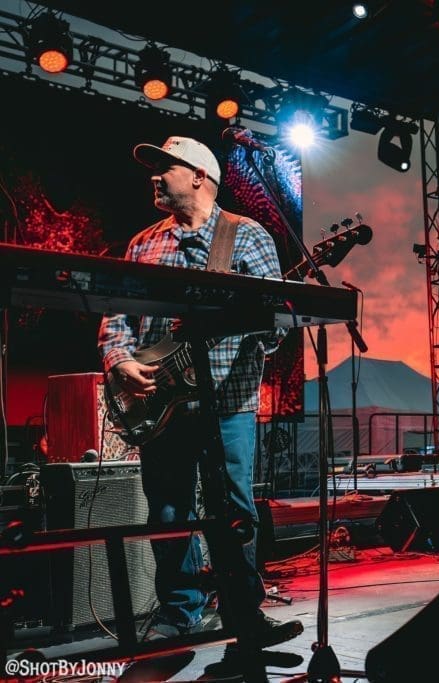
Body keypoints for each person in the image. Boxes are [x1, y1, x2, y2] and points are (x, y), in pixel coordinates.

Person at [97, 136, 301, 646]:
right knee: (167, 509)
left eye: (165, 167)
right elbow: (116, 318)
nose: (154, 176)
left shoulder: (247, 236)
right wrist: (120, 360)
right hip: (156, 402)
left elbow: (277, 325)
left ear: (198, 176)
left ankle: (242, 613)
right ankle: (179, 609)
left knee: (235, 509)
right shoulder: (144, 243)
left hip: (228, 400)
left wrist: (255, 322)